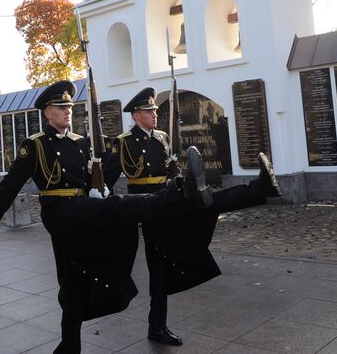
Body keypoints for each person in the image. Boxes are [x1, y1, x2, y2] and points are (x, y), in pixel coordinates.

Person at [0, 80, 238, 353]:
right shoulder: (35, 145)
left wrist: (97, 187)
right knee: (119, 208)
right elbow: (10, 184)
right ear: (47, 112)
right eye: (61, 107)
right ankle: (182, 194)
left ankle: (69, 347)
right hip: (59, 214)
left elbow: (90, 181)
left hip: (83, 210)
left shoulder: (80, 143)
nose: (68, 111)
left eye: (69, 107)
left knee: (74, 280)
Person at [103, 86, 283, 346]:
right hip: (148, 207)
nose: (154, 114)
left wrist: (180, 182)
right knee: (159, 269)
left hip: (170, 197)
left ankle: (260, 188)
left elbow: (171, 169)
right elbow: (106, 184)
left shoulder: (163, 137)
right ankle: (157, 326)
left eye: (155, 110)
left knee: (209, 202)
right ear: (135, 116)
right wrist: (109, 213)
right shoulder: (121, 142)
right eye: (148, 111)